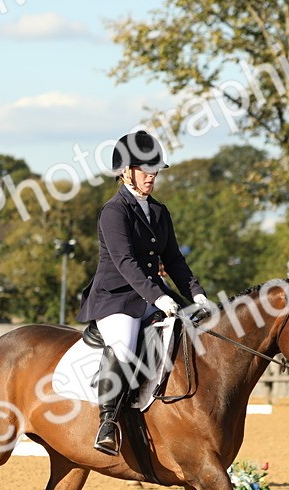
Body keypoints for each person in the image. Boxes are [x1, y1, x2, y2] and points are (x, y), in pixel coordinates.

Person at [76, 130, 210, 456]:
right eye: (145, 170)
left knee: (195, 332)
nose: (152, 176)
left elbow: (174, 260)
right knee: (124, 347)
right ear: (126, 172)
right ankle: (108, 423)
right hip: (116, 297)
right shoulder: (114, 211)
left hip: (153, 294)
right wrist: (158, 297)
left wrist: (197, 295)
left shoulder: (159, 211)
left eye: (155, 170)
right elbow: (125, 262)